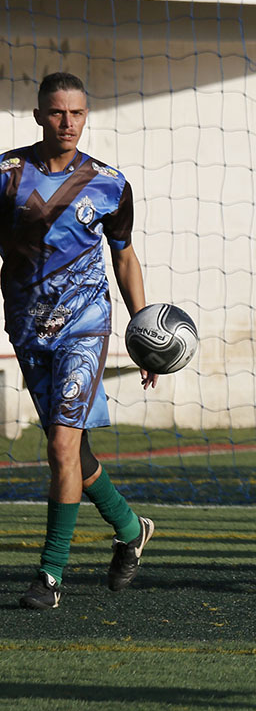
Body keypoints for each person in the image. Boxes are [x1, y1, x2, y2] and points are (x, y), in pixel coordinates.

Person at [1, 72, 158, 610]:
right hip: (27, 326)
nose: (68, 123)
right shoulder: (6, 175)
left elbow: (124, 256)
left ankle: (49, 577)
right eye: (57, 113)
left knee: (61, 447)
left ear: (86, 116)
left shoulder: (110, 184)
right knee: (72, 450)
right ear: (39, 114)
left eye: (78, 113)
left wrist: (144, 331)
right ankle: (130, 527)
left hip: (85, 326)